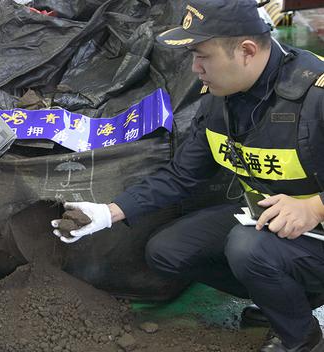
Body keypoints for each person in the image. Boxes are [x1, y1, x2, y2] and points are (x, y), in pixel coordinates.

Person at [51, 0, 324, 351]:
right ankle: (284, 300)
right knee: (169, 250)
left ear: (246, 51)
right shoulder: (220, 100)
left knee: (248, 249)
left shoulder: (315, 97)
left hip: (312, 227)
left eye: (203, 56)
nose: (195, 68)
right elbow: (181, 176)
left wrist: (314, 208)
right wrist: (107, 213)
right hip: (270, 219)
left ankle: (303, 338)